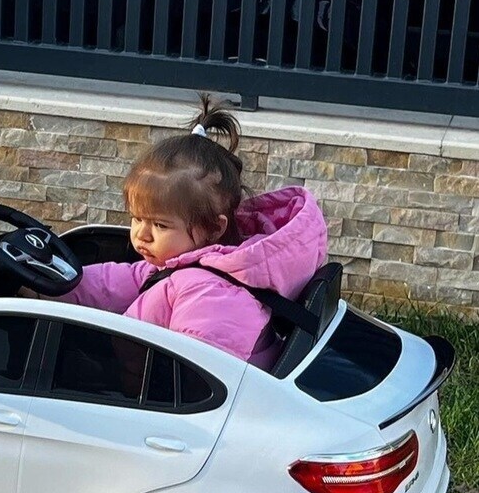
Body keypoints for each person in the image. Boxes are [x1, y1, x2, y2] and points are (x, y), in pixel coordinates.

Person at [47, 94, 328, 368]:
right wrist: (55, 285)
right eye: (137, 219)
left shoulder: (214, 295)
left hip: (166, 392)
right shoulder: (179, 263)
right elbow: (116, 283)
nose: (142, 235)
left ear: (214, 228)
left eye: (160, 225)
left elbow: (196, 375)